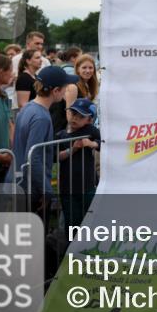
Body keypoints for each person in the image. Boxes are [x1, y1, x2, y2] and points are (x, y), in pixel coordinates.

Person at [8, 65, 78, 210]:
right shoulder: (41, 118)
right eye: (64, 88)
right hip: (30, 187)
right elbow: (33, 157)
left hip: (19, 182)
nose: (66, 92)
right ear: (56, 90)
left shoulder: (28, 108)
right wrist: (46, 191)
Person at [55, 98, 100, 238]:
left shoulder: (91, 130)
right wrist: (73, 149)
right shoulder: (62, 135)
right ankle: (71, 253)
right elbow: (55, 157)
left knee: (92, 223)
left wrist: (91, 144)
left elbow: (103, 143)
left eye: (81, 116)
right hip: (68, 189)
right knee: (72, 225)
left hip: (87, 187)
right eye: (73, 113)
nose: (75, 118)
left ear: (89, 120)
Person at [63, 54, 100, 123]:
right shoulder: (73, 87)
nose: (88, 71)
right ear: (77, 69)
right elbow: (70, 116)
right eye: (84, 68)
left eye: (90, 68)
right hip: (67, 129)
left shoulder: (89, 85)